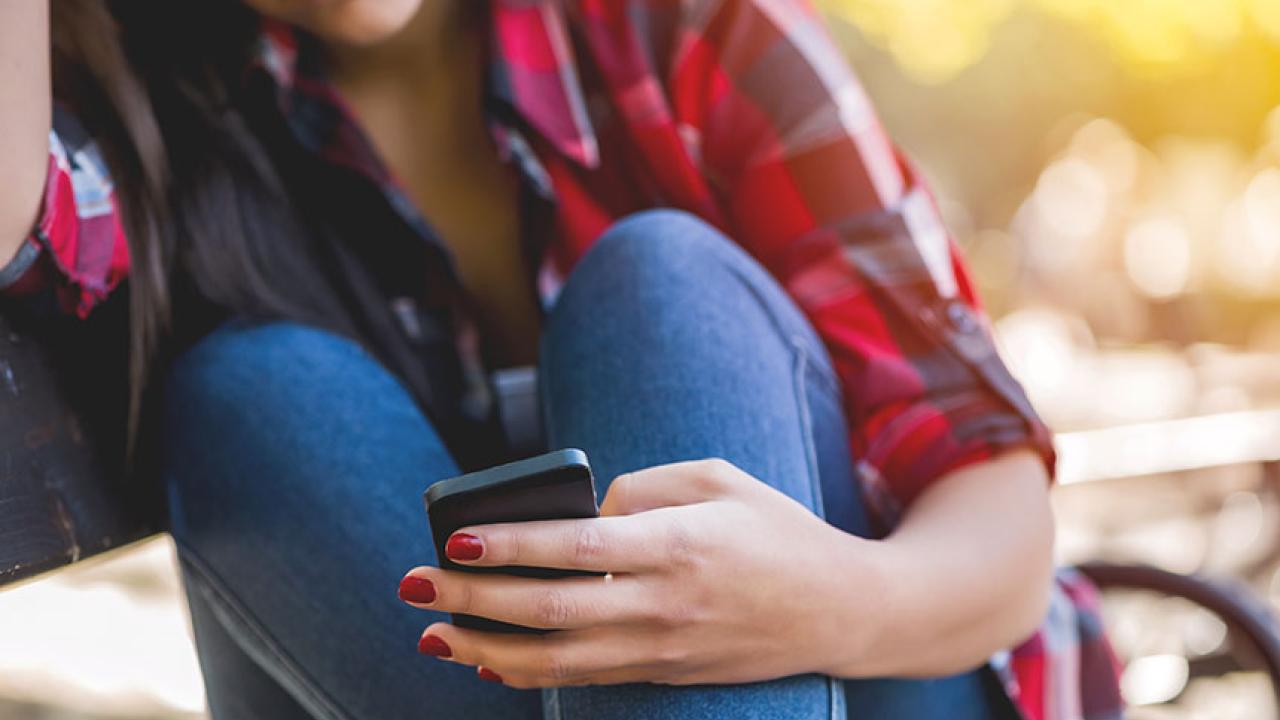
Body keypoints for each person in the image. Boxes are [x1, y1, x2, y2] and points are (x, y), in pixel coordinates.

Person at [0, 1, 1122, 718]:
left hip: (895, 669)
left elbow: (1003, 525)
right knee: (246, 394)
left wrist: (817, 605)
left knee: (660, 282)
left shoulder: (693, 29)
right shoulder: (175, 113)